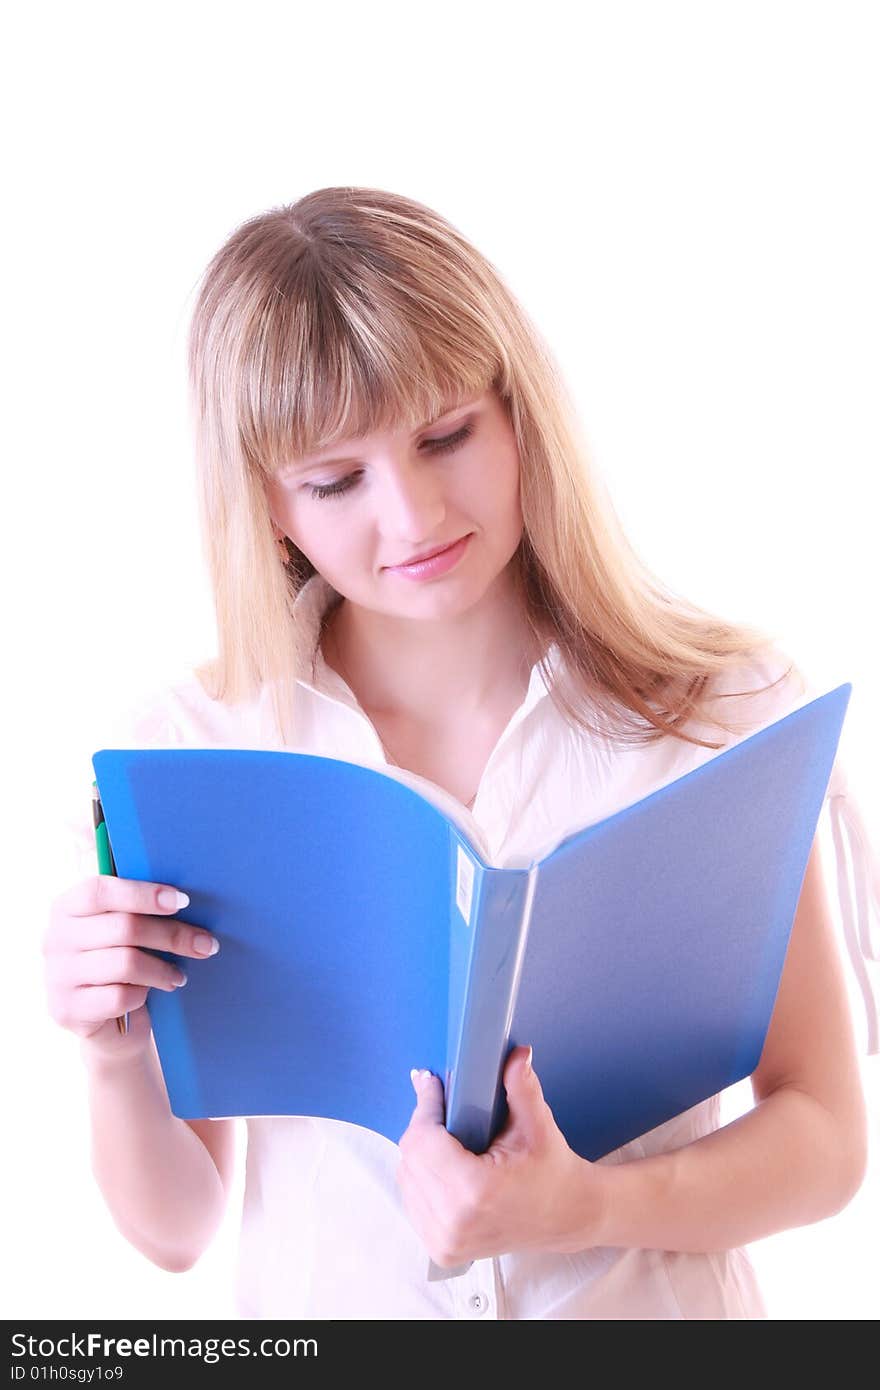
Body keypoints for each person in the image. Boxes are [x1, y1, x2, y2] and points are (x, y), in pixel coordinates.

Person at [44, 186, 878, 1320]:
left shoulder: (717, 711)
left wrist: (585, 1207)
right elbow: (178, 1228)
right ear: (269, 507)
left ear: (519, 412)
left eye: (447, 435)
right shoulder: (201, 745)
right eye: (336, 480)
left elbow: (824, 1139)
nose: (415, 514)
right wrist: (110, 1053)